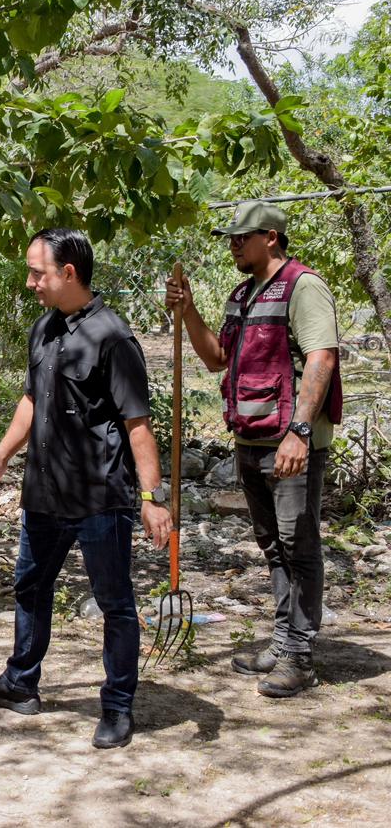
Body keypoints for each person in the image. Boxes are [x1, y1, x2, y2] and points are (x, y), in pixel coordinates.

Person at [0, 228, 171, 749]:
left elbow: (138, 424)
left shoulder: (113, 338)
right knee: (30, 587)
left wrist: (153, 499)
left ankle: (118, 706)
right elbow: (32, 401)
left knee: (114, 602)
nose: (30, 282)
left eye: (38, 273)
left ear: (69, 273)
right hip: (44, 494)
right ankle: (20, 683)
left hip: (99, 498)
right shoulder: (44, 328)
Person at [165, 200, 341, 698]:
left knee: (298, 545)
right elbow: (216, 358)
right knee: (273, 545)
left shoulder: (304, 286)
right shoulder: (242, 295)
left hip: (290, 442)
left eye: (242, 237)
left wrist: (299, 433)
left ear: (271, 237)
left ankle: (299, 656)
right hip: (250, 438)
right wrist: (188, 309)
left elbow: (322, 359)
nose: (233, 245)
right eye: (231, 238)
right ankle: (283, 642)